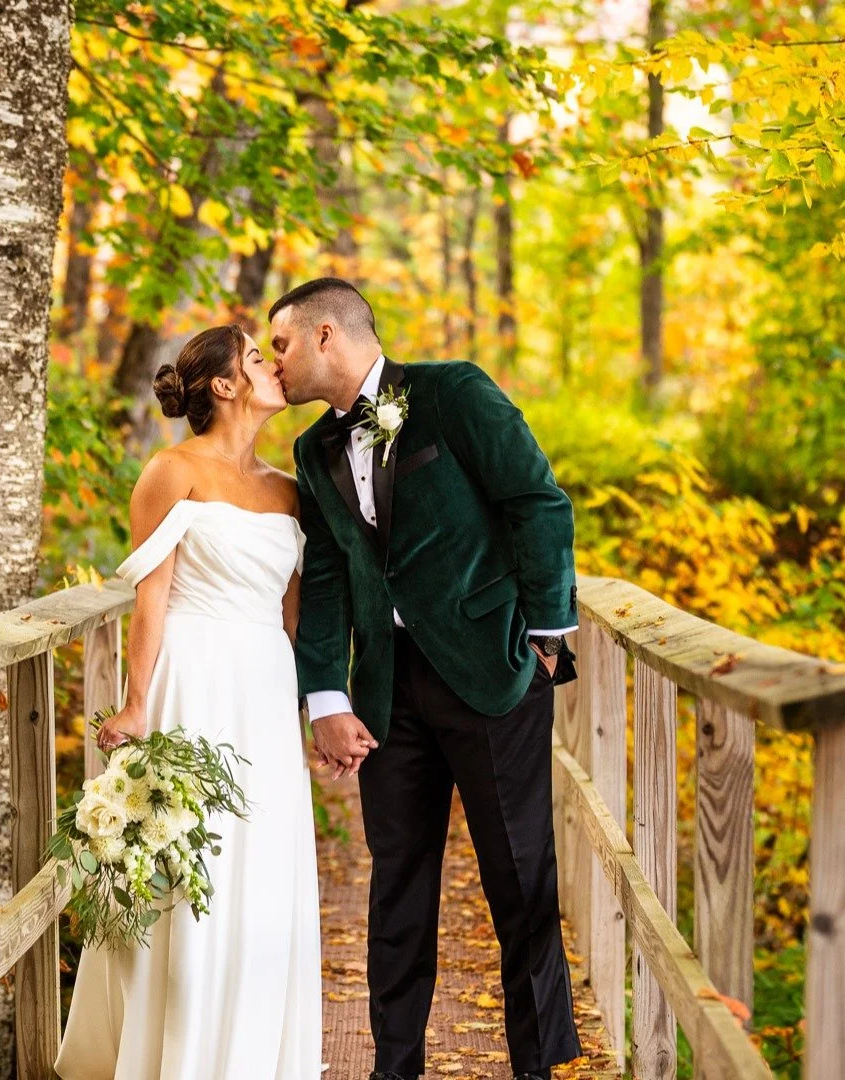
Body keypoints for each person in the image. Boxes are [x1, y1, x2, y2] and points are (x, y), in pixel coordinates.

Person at [272, 277, 582, 1080]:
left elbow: (537, 502)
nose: (275, 362)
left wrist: (546, 638)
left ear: (327, 337)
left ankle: (536, 1067)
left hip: (493, 674)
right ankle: (394, 1068)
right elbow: (328, 575)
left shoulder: (453, 393)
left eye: (281, 344)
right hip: (387, 692)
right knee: (397, 890)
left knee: (520, 881)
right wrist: (327, 696)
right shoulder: (311, 450)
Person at [54, 325, 322, 1080]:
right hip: (192, 679)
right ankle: (174, 1055)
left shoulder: (288, 490)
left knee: (260, 865)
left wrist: (314, 706)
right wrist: (136, 703)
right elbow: (153, 597)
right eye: (258, 357)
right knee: (187, 862)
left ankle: (252, 1055)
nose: (274, 366)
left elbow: (294, 614)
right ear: (226, 386)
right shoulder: (171, 471)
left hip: (265, 691)